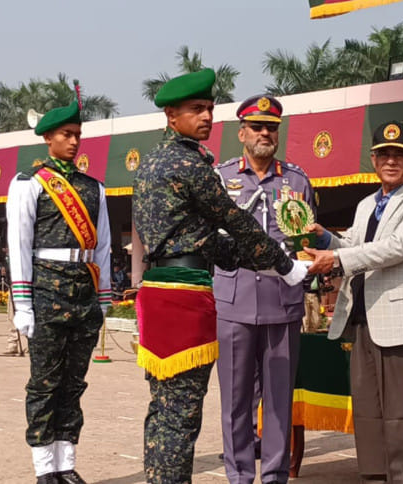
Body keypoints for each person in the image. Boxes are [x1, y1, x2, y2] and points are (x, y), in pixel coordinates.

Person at [132, 69, 309, 484]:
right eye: (197, 110)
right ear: (172, 116)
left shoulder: (152, 160)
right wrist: (284, 265)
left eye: (210, 109)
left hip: (159, 290)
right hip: (185, 294)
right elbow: (236, 223)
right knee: (182, 413)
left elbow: (207, 240)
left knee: (162, 409)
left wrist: (259, 260)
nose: (207, 117)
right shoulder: (191, 164)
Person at [305, 120, 403, 484]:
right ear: (373, 159)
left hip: (402, 323)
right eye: (384, 154)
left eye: (399, 155)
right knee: (367, 412)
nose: (391, 161)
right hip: (362, 318)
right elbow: (355, 244)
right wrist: (326, 240)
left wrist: (335, 260)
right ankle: (374, 477)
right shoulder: (368, 203)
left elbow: (395, 248)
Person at [6, 84, 112, 484]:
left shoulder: (93, 187)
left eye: (77, 135)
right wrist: (23, 305)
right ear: (48, 138)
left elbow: (102, 247)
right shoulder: (29, 183)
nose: (73, 141)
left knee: (74, 383)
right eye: (65, 135)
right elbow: (19, 246)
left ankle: (66, 462)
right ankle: (43, 468)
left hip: (84, 294)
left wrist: (103, 300)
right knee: (44, 383)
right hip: (47, 292)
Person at [213, 93, 316, 484]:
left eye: (271, 128)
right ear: (242, 132)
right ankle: (239, 475)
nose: (264, 133)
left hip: (281, 301)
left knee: (277, 401)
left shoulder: (296, 180)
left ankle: (274, 476)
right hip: (234, 299)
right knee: (235, 402)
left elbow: (303, 241)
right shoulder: (222, 179)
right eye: (257, 127)